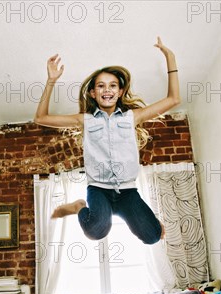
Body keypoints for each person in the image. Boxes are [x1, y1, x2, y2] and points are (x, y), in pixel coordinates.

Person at [34, 37, 180, 245]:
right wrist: (51, 81)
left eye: (112, 86)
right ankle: (78, 206)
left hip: (127, 191)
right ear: (93, 93)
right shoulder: (84, 119)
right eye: (100, 86)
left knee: (154, 236)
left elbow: (174, 99)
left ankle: (148, 223)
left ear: (120, 92)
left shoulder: (132, 117)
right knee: (95, 231)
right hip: (99, 189)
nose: (107, 90)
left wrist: (171, 58)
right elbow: (41, 118)